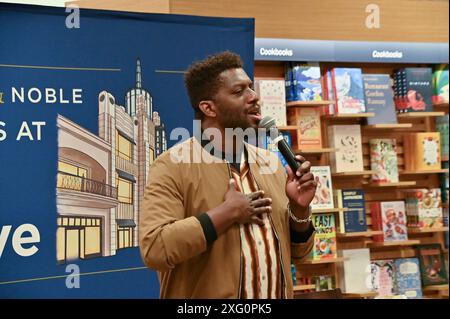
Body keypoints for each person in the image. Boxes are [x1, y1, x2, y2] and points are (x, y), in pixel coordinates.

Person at [139, 51, 317, 298]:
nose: (253, 97)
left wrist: (299, 209)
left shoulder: (271, 164)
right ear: (208, 108)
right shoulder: (172, 165)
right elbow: (155, 249)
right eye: (238, 91)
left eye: (251, 88)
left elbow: (301, 254)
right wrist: (225, 214)